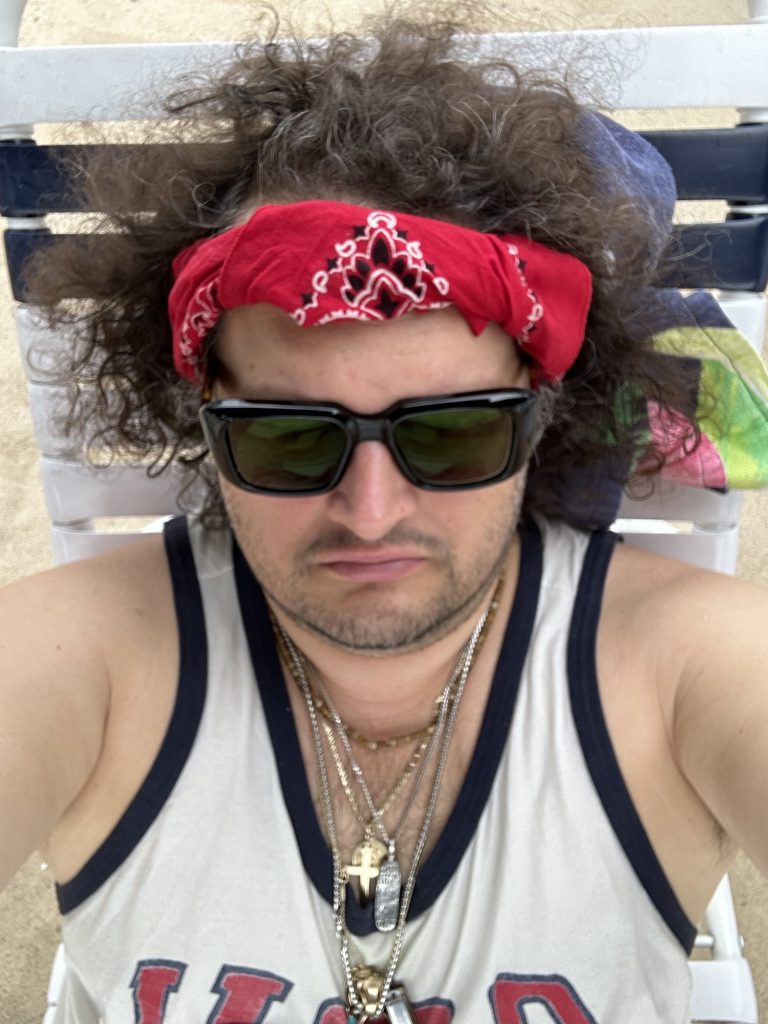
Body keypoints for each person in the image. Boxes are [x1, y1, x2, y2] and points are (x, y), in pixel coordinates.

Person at [1, 11, 767, 1023]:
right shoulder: (77, 661)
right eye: (288, 437)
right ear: (206, 417)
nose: (370, 512)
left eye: (453, 433)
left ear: (538, 414)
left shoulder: (690, 668)